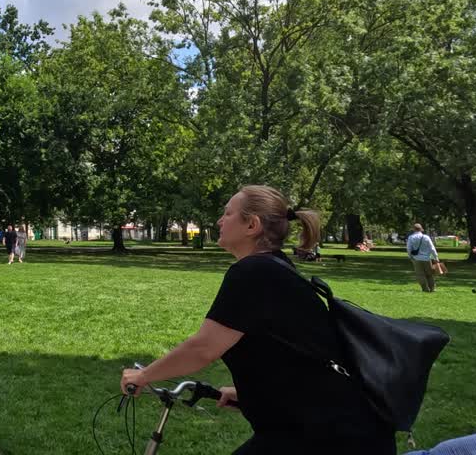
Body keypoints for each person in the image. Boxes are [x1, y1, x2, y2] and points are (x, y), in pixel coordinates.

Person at [119, 185, 395, 455]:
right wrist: (249, 393)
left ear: (252, 225)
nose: (219, 221)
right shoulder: (274, 266)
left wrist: (144, 375)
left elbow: (203, 349)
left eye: (228, 213)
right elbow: (290, 351)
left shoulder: (253, 272)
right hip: (334, 428)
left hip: (328, 436)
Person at [406, 223, 439, 292]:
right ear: (421, 229)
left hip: (416, 258)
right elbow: (432, 248)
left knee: (420, 275)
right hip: (427, 258)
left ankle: (425, 288)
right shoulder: (426, 237)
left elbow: (409, 249)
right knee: (429, 274)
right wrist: (436, 257)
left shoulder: (411, 237)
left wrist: (410, 257)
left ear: (414, 229)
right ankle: (432, 288)